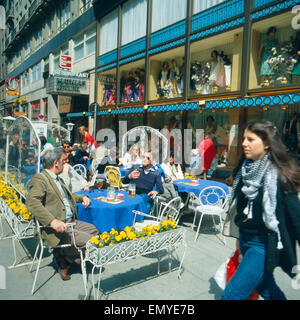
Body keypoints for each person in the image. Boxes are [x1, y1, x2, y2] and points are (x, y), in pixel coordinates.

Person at [222, 120, 300, 300]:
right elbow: (241, 210)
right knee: (266, 287)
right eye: (243, 139)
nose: (243, 143)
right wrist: (240, 237)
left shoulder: (280, 176)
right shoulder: (245, 169)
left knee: (231, 295)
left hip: (263, 244)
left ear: (266, 143)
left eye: (250, 139)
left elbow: (296, 220)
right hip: (246, 239)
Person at [26, 147, 98, 281]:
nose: (66, 163)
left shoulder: (57, 179)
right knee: (90, 241)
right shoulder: (40, 179)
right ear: (56, 163)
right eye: (63, 161)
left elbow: (67, 196)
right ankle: (66, 259)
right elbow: (32, 202)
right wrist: (52, 221)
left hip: (70, 221)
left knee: (94, 231)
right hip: (57, 226)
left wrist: (82, 198)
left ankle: (64, 255)